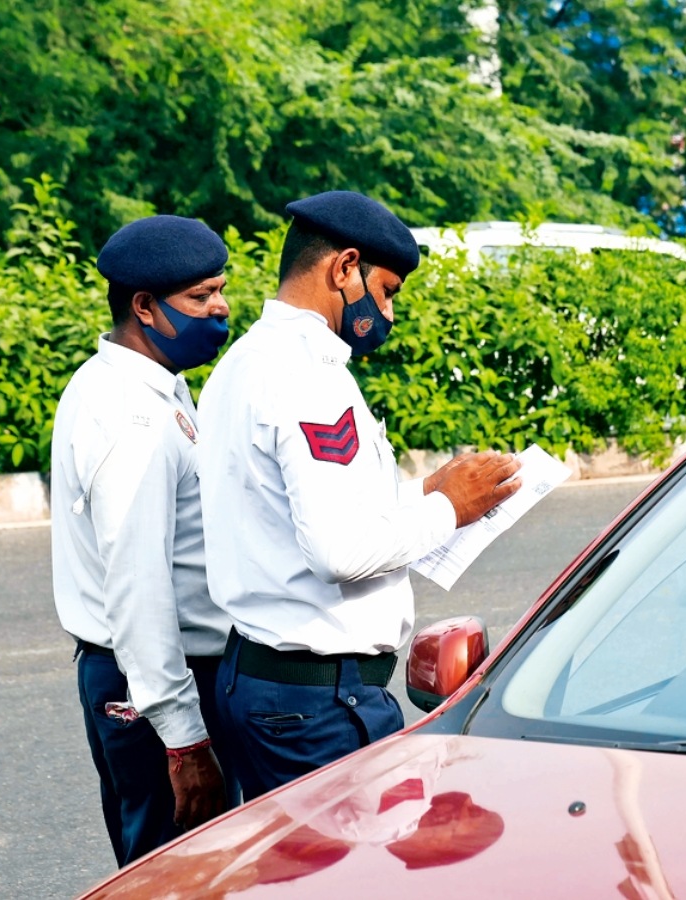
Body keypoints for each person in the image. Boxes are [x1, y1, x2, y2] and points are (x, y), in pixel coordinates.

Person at [196, 190, 521, 800]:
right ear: (345, 268)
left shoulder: (245, 360)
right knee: (356, 856)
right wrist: (450, 509)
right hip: (317, 703)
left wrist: (428, 490)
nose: (389, 313)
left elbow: (302, 510)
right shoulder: (309, 376)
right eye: (388, 291)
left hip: (266, 679)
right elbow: (339, 551)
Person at [50, 214, 235, 867]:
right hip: (155, 682)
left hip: (160, 674)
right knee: (175, 872)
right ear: (145, 308)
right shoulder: (129, 415)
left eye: (221, 289)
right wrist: (184, 740)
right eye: (201, 296)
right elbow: (138, 586)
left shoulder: (154, 385)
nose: (221, 308)